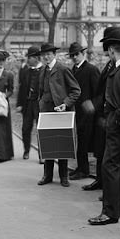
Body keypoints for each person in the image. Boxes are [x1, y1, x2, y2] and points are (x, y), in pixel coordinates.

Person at [88, 28, 120, 225]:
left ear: (111, 50)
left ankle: (109, 211)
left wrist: (114, 118)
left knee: (110, 165)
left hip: (116, 123)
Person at [36, 42, 81, 188]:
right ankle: (47, 175)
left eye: (49, 54)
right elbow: (41, 91)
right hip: (46, 112)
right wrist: (41, 103)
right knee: (47, 142)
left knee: (61, 143)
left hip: (60, 111)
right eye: (44, 55)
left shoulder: (62, 69)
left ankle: (63, 176)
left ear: (54, 55)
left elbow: (76, 90)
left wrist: (66, 103)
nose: (46, 57)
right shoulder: (42, 70)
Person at [83, 26, 120, 192]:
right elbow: (102, 91)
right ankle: (100, 180)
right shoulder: (109, 65)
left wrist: (95, 104)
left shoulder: (119, 66)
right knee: (100, 150)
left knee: (114, 156)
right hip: (103, 116)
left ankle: (119, 191)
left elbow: (110, 94)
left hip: (113, 117)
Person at [68, 42, 100, 181]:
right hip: (77, 111)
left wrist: (93, 105)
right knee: (80, 140)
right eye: (72, 55)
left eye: (77, 54)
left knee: (85, 141)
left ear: (83, 54)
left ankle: (84, 170)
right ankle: (81, 167)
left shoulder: (91, 70)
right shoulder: (73, 70)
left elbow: (99, 92)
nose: (75, 57)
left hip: (88, 112)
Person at [16, 46, 43, 160]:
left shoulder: (44, 71)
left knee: (41, 129)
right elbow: (21, 89)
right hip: (27, 104)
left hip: (39, 105)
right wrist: (19, 104)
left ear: (36, 58)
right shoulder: (25, 71)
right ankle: (26, 151)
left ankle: (42, 154)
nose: (28, 60)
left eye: (30, 57)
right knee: (26, 128)